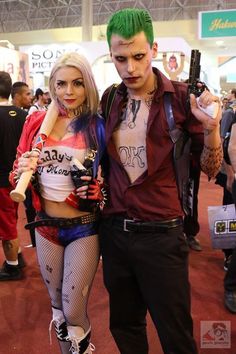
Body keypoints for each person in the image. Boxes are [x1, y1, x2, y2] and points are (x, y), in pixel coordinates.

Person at [97, 8, 222, 354]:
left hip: (163, 235)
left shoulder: (182, 98)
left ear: (154, 49)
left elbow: (212, 168)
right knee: (125, 326)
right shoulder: (110, 99)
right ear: (111, 56)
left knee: (176, 334)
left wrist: (211, 130)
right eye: (121, 59)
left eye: (138, 56)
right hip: (115, 233)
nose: (131, 68)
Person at [9, 52, 106, 353]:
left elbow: (112, 182)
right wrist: (21, 169)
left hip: (83, 227)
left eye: (77, 83)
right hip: (45, 225)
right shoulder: (36, 121)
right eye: (61, 84)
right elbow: (16, 176)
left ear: (88, 84)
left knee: (73, 308)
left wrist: (99, 192)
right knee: (58, 308)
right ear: (52, 86)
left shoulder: (97, 125)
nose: (69, 92)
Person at [0, 71, 27, 281]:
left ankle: (12, 266)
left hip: (1, 180)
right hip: (18, 179)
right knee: (12, 218)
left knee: (7, 224)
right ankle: (17, 257)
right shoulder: (22, 116)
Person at [11, 81, 36, 247]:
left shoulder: (31, 117)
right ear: (17, 96)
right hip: (13, 173)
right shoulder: (25, 117)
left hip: (27, 173)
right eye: (27, 94)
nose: (30, 97)